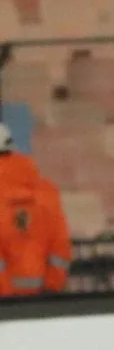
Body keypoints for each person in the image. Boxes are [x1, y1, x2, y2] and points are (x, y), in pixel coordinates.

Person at [0, 123, 71, 298]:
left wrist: (6, 295)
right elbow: (60, 246)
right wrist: (52, 288)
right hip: (42, 301)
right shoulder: (46, 191)